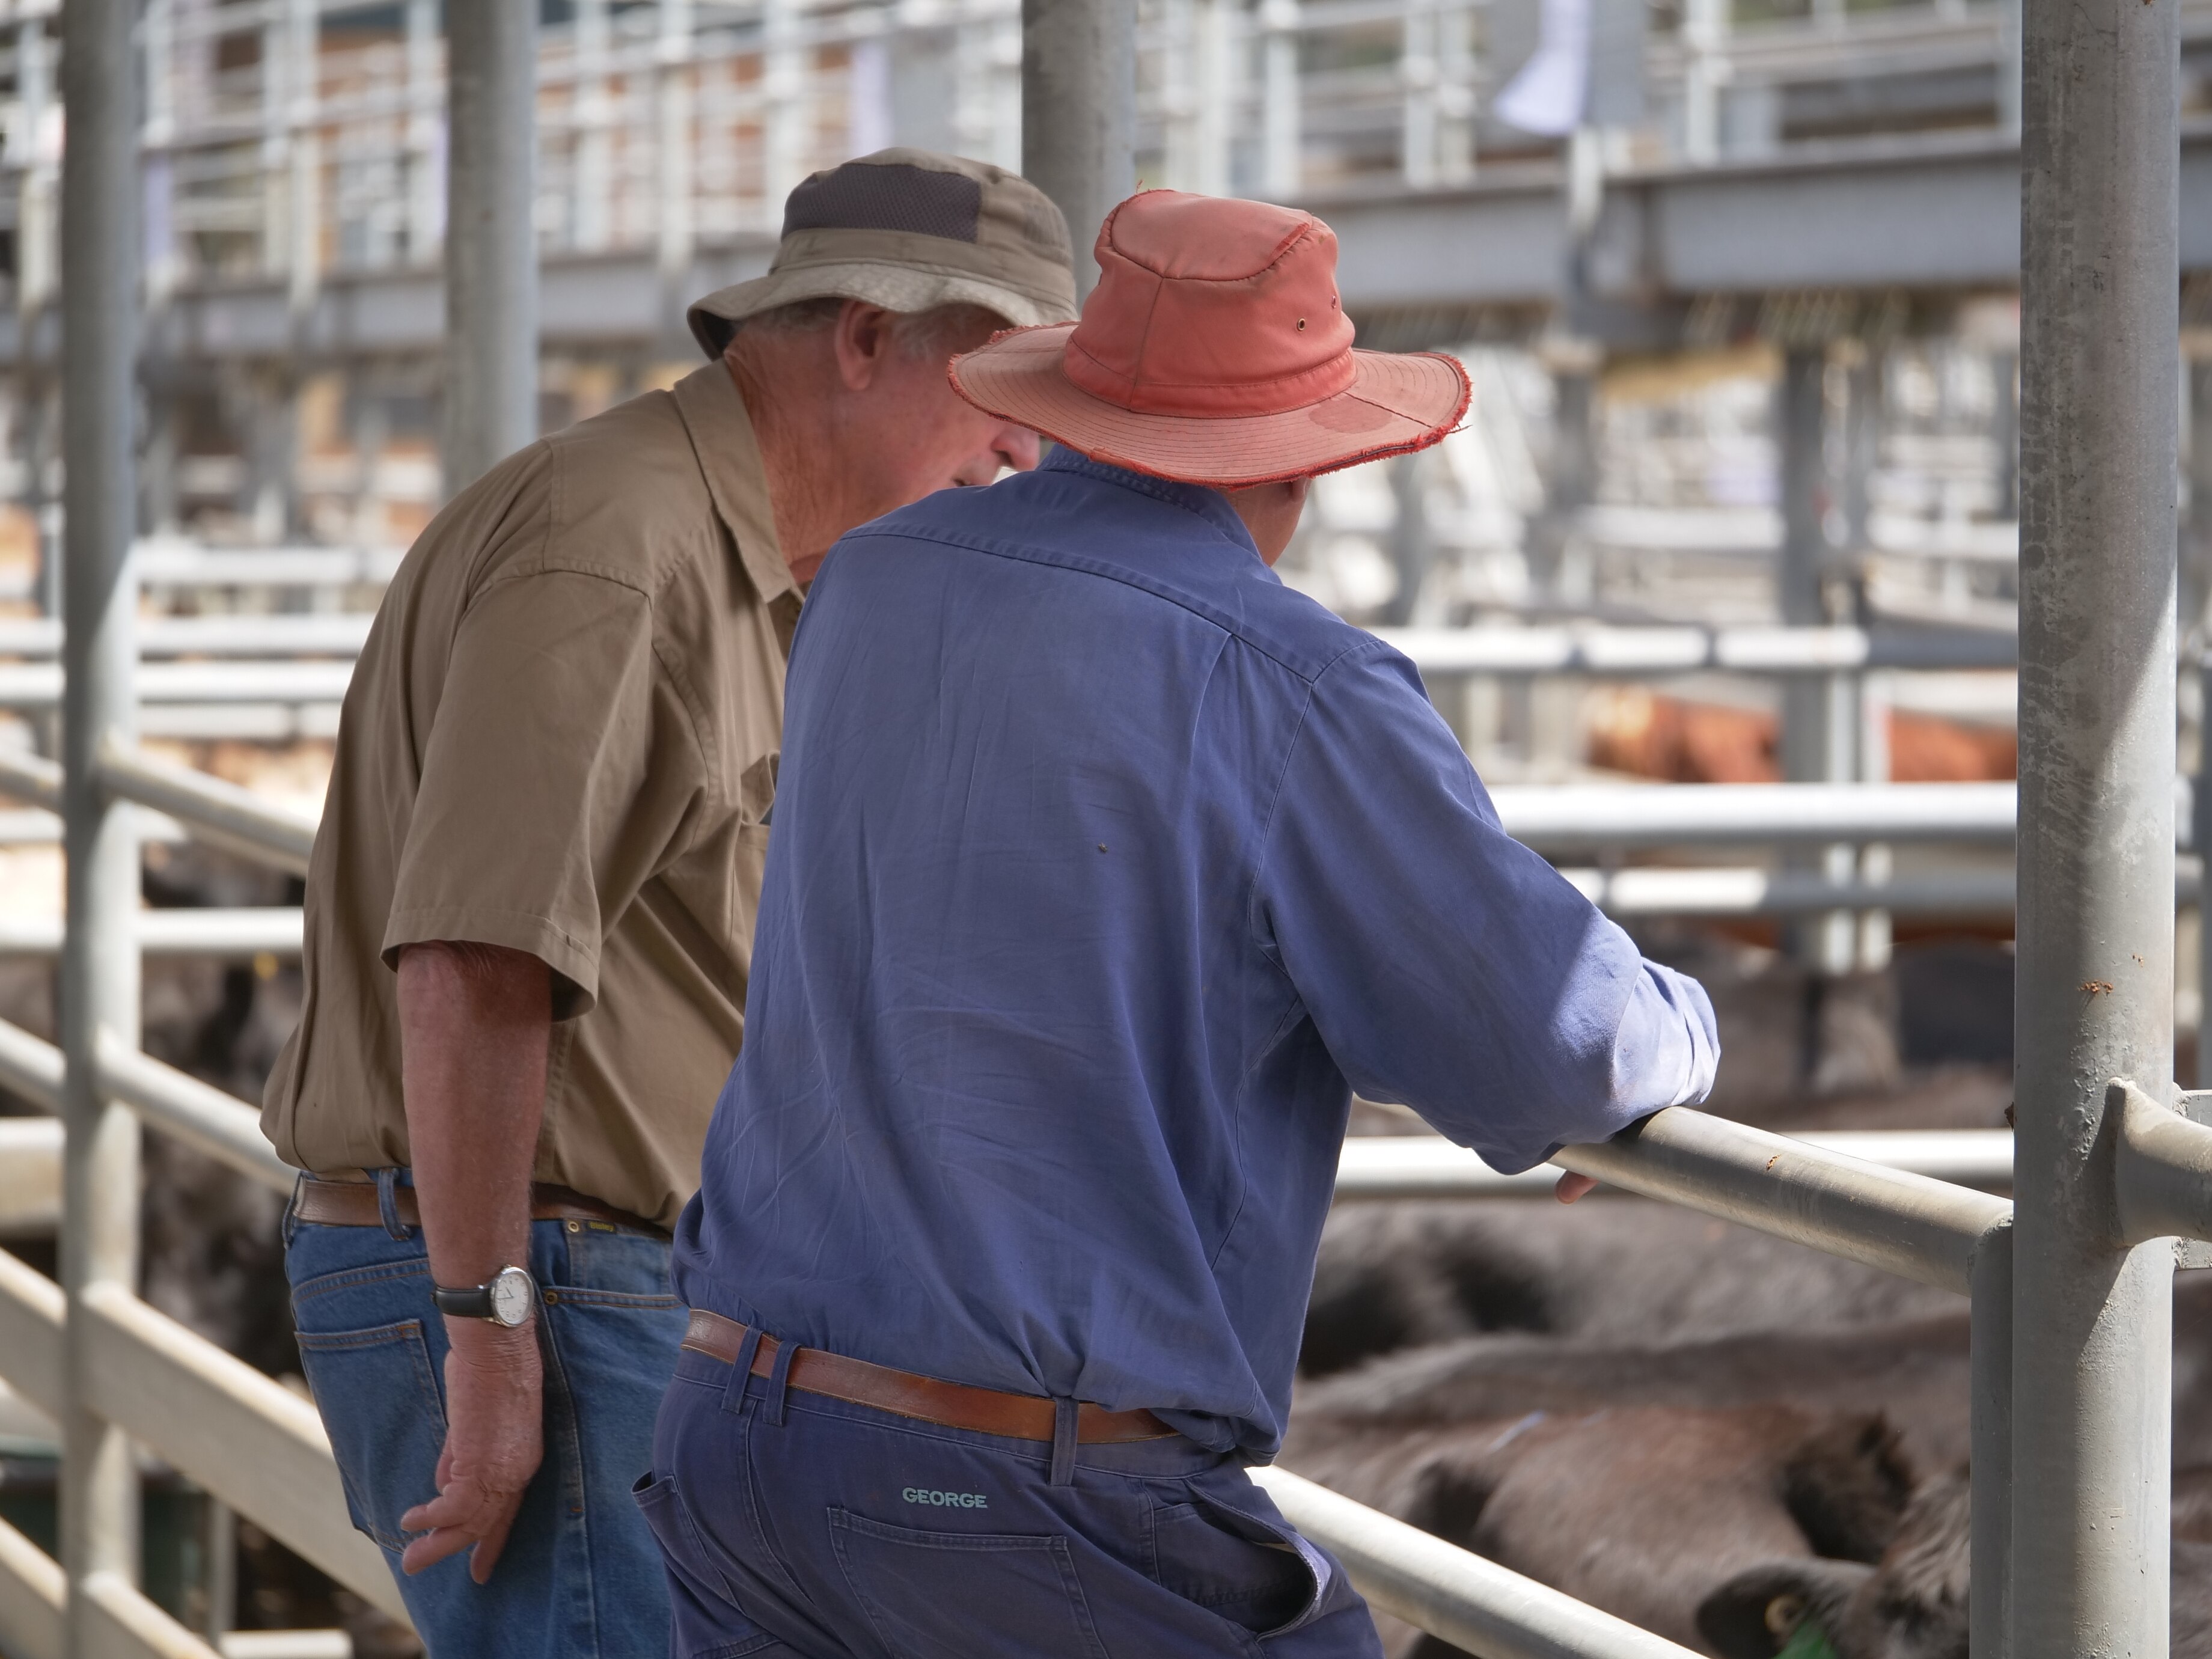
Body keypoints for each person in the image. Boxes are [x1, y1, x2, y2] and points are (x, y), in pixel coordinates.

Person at [643, 188, 1719, 1657]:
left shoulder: (875, 583)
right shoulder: (1292, 681)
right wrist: (1685, 1030)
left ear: (1075, 405)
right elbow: (1553, 1041)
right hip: (1023, 1488)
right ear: (1313, 453)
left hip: (739, 1439)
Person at [259, 148, 1076, 1658]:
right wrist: (493, 1352)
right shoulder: (622, 554)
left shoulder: (754, 561)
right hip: (547, 1283)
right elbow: (472, 958)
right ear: (866, 336)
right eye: (1008, 385)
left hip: (596, 1278)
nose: (1027, 453)